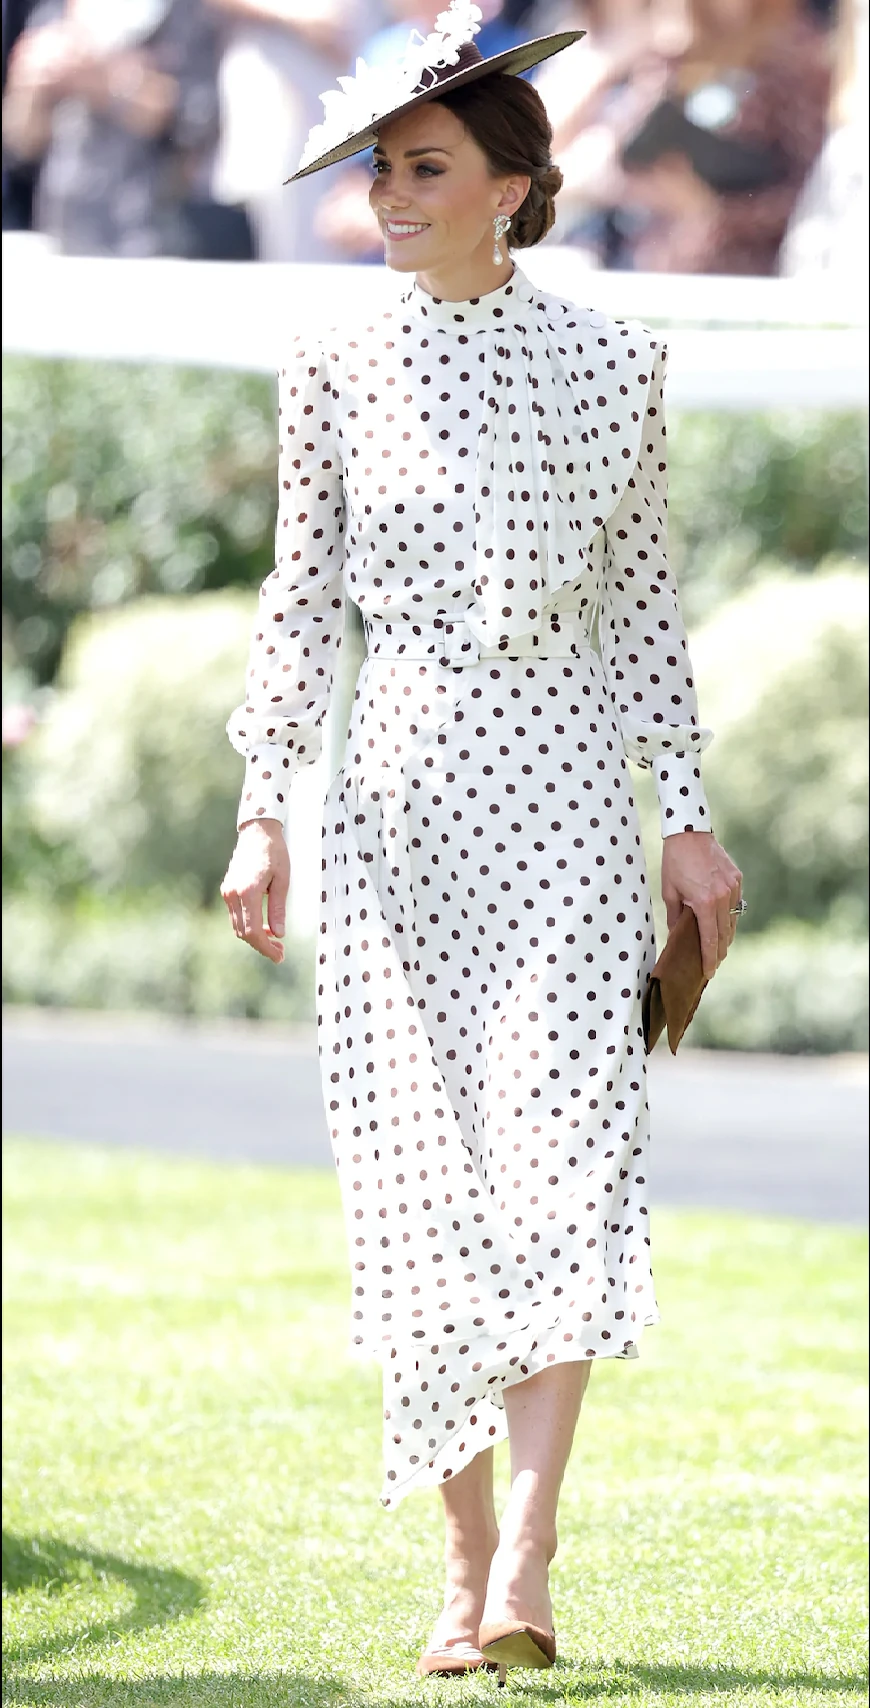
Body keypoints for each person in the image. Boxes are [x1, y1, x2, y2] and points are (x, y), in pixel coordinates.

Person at [220, 0, 743, 1681]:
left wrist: (686, 818)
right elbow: (300, 600)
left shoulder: (614, 362)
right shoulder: (333, 358)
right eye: (380, 168)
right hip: (393, 810)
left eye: (423, 167)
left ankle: (526, 1552)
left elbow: (643, 605)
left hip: (570, 803)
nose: (388, 194)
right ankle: (457, 1573)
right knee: (416, 1187)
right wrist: (262, 810)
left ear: (509, 189)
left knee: (563, 1166)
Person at [534, 0, 832, 274]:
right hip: (647, 261)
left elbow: (813, 189)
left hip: (740, 275)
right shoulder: (674, 47)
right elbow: (616, 143)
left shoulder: (795, 58)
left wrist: (712, 210)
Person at [1, 0, 224, 257]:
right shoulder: (56, 13)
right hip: (62, 232)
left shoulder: (185, 13)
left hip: (152, 236)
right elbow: (22, 144)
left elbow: (195, 123)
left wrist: (103, 83)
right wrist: (32, 89)